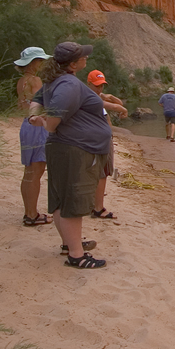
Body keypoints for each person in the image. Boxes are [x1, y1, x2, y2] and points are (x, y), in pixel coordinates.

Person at [28, 42, 112, 269]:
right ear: (74, 64)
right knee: (73, 200)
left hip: (67, 147)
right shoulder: (68, 84)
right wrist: (44, 122)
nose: (87, 57)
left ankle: (69, 244)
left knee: (61, 199)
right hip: (76, 149)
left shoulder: (56, 81)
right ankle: (76, 255)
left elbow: (36, 100)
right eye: (83, 56)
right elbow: (53, 124)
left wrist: (33, 117)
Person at [14, 46, 52, 226]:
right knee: (36, 171)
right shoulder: (36, 80)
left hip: (26, 125)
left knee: (29, 171)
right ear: (34, 62)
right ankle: (32, 214)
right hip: (37, 126)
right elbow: (44, 104)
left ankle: (29, 211)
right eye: (40, 61)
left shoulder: (21, 81)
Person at [87, 69, 127, 219]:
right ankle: (98, 208)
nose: (100, 89)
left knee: (100, 172)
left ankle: (94, 205)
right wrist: (121, 108)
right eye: (97, 85)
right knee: (102, 172)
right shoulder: (91, 98)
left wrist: (108, 95)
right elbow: (116, 107)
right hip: (99, 140)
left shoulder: (95, 96)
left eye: (102, 85)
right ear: (89, 84)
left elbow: (117, 102)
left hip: (102, 138)